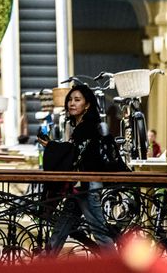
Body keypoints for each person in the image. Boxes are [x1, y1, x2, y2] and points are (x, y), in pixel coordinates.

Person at [39, 84, 117, 254]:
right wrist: (52, 146)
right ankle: (46, 258)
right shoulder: (81, 126)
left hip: (88, 187)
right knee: (62, 227)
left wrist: (51, 146)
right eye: (70, 100)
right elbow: (73, 151)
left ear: (87, 105)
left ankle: (117, 266)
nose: (71, 104)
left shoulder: (89, 126)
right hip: (79, 187)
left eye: (77, 100)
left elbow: (75, 153)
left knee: (100, 231)